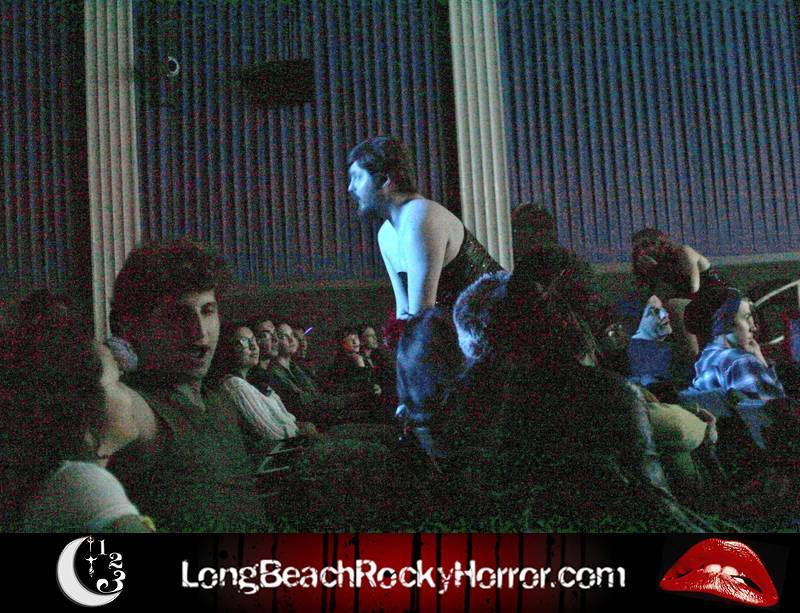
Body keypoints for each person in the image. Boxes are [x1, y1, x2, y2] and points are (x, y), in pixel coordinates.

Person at [107, 239, 266, 532]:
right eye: (178, 315)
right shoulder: (137, 408)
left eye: (208, 310)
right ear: (132, 326)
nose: (199, 331)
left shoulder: (217, 398)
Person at [0, 292, 152, 532]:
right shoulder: (82, 483)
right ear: (84, 408)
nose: (129, 392)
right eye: (116, 381)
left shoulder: (55, 484)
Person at [348, 136, 503, 317]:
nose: (350, 188)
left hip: (504, 322)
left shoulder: (419, 214)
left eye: (357, 177)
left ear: (384, 180)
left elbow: (422, 314)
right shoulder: (386, 234)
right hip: (466, 328)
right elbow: (404, 312)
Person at [690, 287, 787, 401]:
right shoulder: (741, 361)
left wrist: (757, 355)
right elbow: (776, 404)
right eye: (746, 318)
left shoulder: (704, 359)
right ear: (725, 323)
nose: (754, 328)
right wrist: (759, 361)